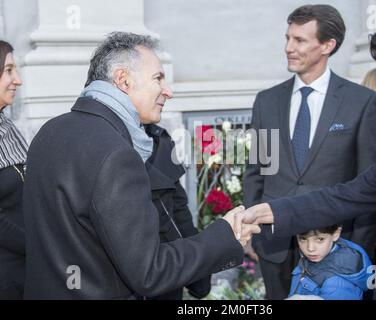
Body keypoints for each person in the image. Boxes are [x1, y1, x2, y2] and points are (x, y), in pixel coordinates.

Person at [22, 32, 259, 300]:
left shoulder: (49, 131)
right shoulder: (117, 153)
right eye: (158, 78)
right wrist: (224, 235)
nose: (168, 91)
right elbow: (149, 272)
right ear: (123, 80)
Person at [236, 6, 376, 300]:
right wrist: (272, 212)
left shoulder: (360, 102)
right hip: (279, 246)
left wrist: (351, 259)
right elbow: (351, 194)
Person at [243, 4, 376, 299]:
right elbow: (258, 169)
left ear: (327, 46)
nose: (288, 48)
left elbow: (369, 183)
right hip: (275, 245)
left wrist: (356, 250)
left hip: (334, 248)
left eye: (299, 40)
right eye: (287, 38)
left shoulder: (362, 102)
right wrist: (254, 235)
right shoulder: (267, 101)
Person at [143, 122, 211, 300]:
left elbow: (177, 211)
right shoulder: (103, 142)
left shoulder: (158, 139)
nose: (167, 92)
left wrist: (198, 275)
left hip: (166, 274)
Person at [0, 40, 26, 300]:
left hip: (23, 269)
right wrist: (36, 245)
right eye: (8, 70)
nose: (17, 80)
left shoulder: (7, 127)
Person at [288, 224, 371, 300]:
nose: (310, 248)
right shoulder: (318, 256)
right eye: (303, 239)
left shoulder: (337, 284)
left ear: (336, 234)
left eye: (320, 239)